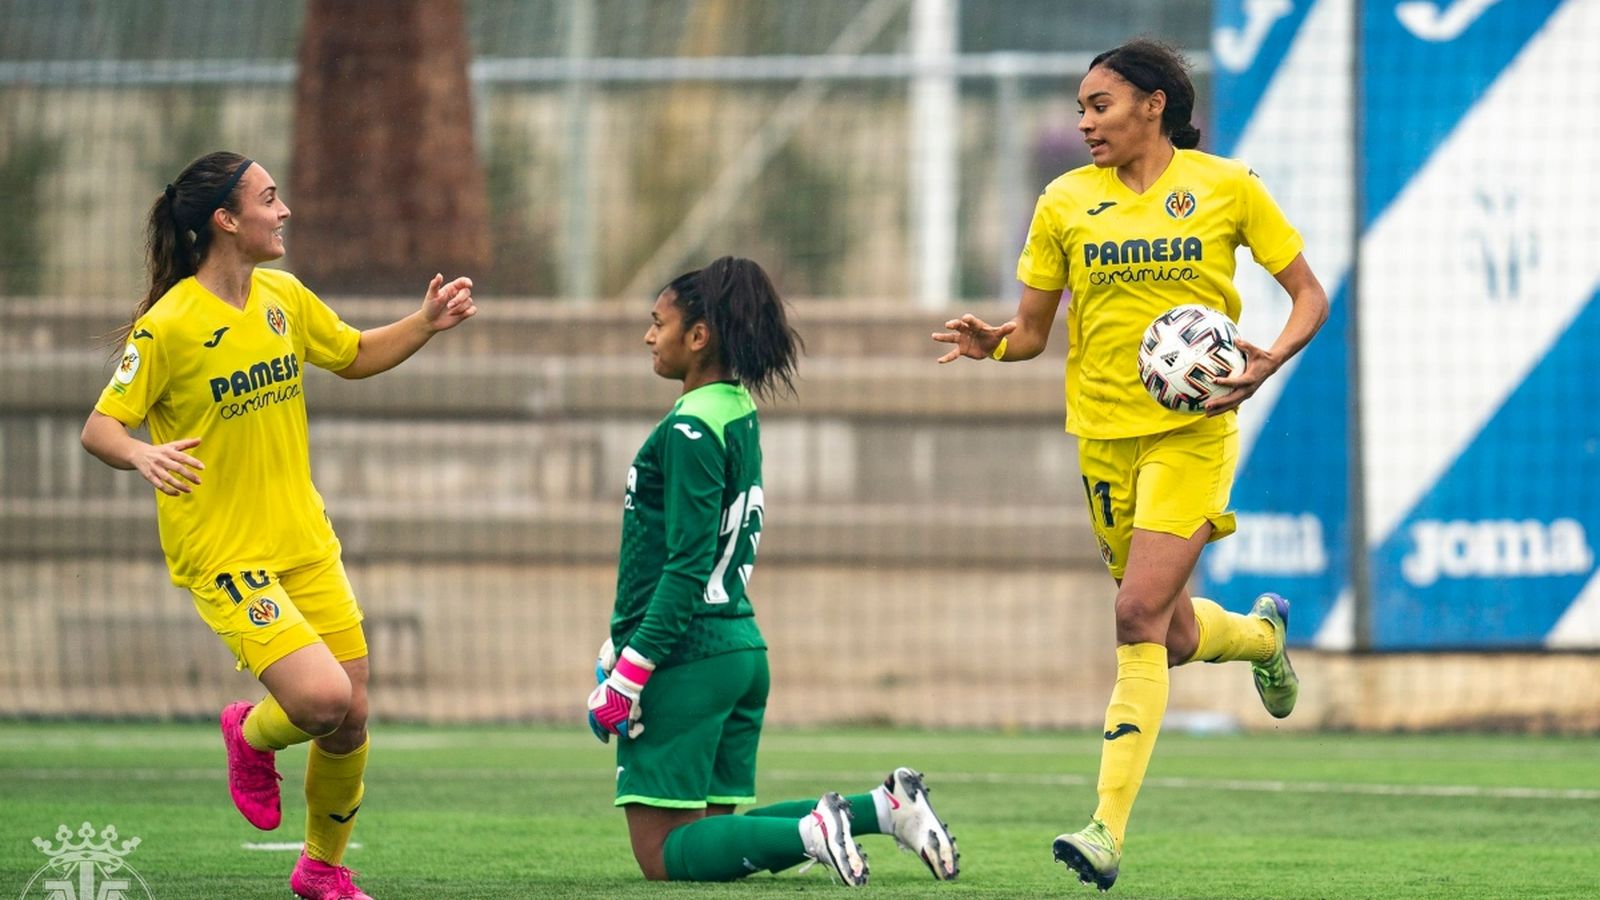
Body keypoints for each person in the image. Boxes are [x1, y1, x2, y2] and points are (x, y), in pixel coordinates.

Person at [933, 39, 1328, 892]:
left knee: (1135, 613)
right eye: (1079, 108)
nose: (1084, 122)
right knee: (1173, 630)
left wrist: (1265, 365)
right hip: (1104, 441)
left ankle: (1105, 832)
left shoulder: (1226, 187)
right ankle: (1262, 637)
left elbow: (1310, 296)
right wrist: (992, 346)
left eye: (1099, 105)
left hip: (1192, 436)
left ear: (1154, 104)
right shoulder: (1064, 202)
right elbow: (1033, 335)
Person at [80, 151, 477, 900]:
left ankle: (322, 869)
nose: (284, 208)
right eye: (269, 198)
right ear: (225, 220)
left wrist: (424, 324)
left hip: (303, 540)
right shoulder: (166, 328)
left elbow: (354, 354)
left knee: (351, 717)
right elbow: (100, 427)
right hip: (226, 555)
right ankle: (247, 733)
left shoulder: (282, 297)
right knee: (321, 700)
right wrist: (141, 452)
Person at [585, 256, 960, 887]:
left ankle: (811, 830)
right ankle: (884, 808)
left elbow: (685, 564)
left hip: (687, 656)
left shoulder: (692, 425)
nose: (649, 336)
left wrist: (628, 672)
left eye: (658, 323)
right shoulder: (736, 409)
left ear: (698, 336)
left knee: (661, 855)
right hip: (736, 646)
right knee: (707, 839)